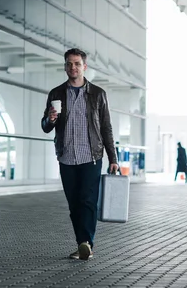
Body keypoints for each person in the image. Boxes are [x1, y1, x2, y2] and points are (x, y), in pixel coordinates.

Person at [41, 48, 119, 261]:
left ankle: (86, 243)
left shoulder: (97, 94)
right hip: (66, 157)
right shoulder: (56, 94)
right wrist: (51, 119)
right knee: (74, 203)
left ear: (84, 67)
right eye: (69, 64)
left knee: (88, 201)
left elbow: (106, 128)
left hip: (91, 157)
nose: (72, 67)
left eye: (77, 64)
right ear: (65, 67)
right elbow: (45, 127)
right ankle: (81, 243)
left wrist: (113, 158)